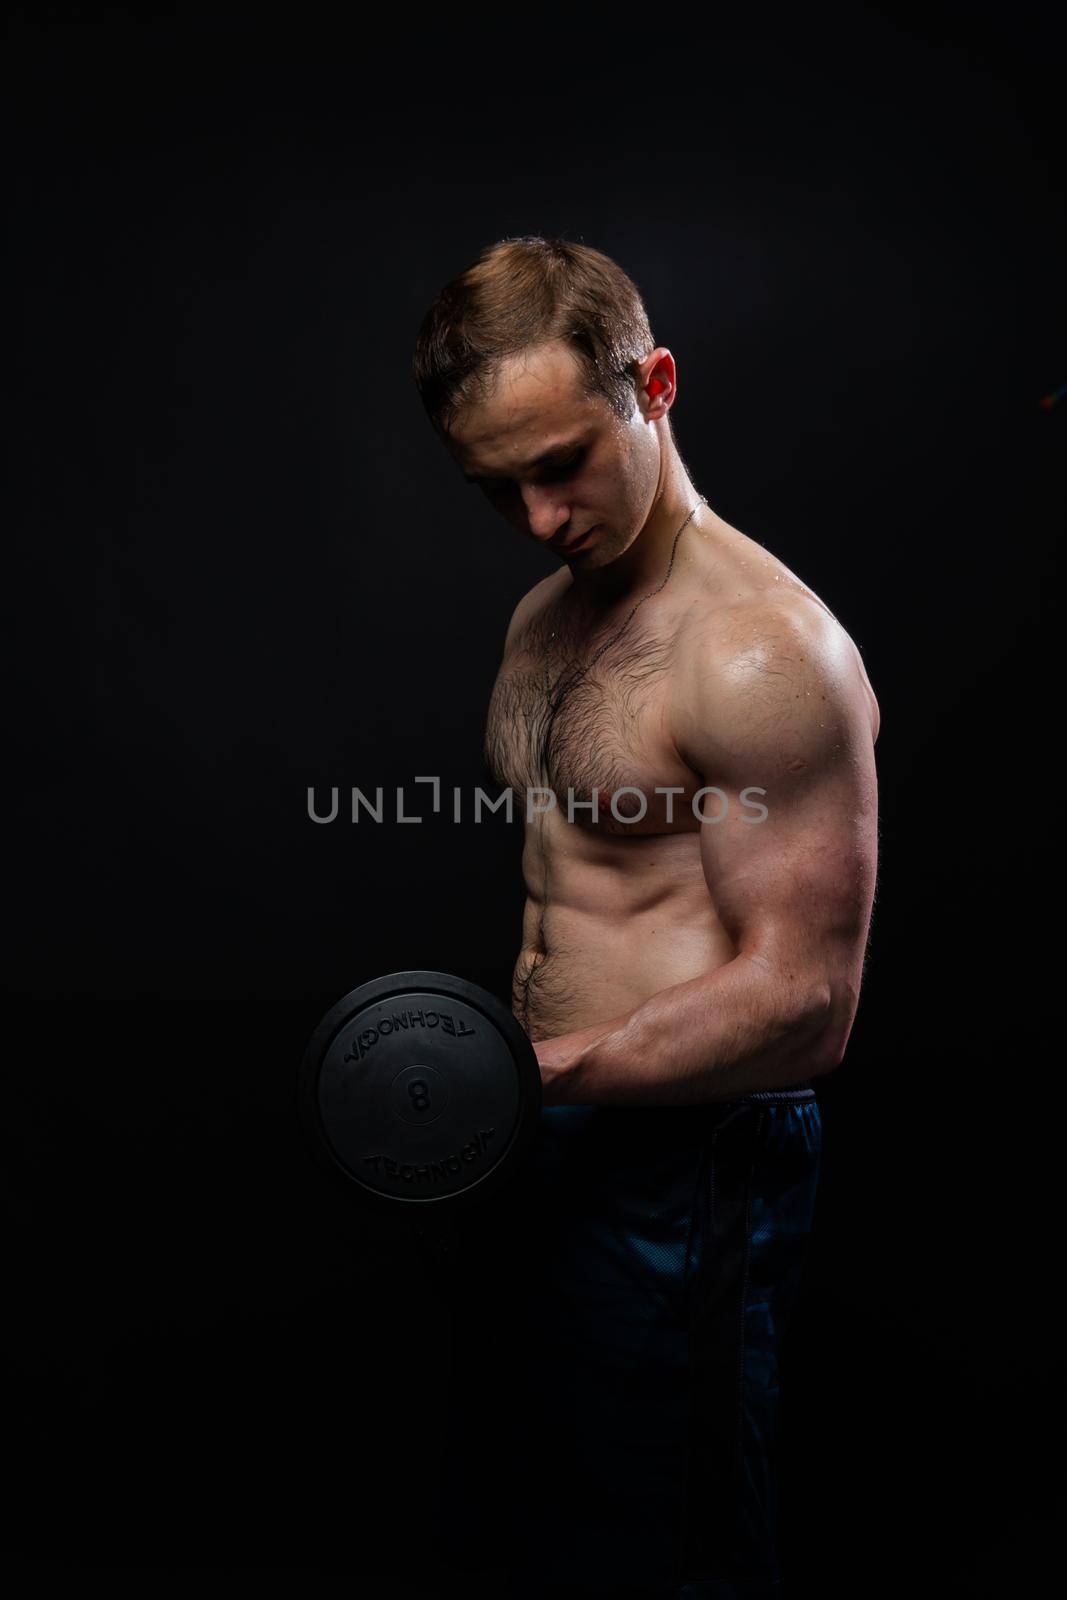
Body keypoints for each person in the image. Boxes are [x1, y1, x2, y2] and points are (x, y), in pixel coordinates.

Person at [411, 236, 879, 1597]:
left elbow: (806, 1002)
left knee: (669, 1549)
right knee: (534, 1527)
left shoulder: (761, 652)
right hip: (542, 1149)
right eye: (497, 487)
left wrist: (529, 1079)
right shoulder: (540, 621)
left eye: (562, 463)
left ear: (654, 386)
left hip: (689, 1173)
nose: (542, 517)